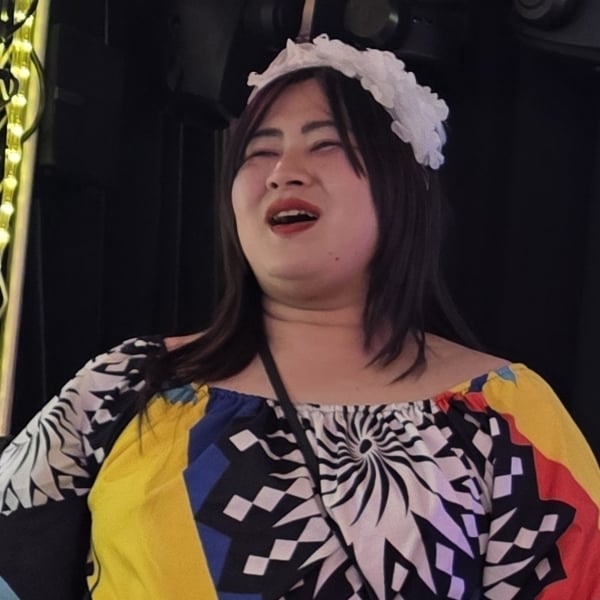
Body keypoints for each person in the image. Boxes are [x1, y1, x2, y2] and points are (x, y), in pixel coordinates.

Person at [1, 34, 599, 600]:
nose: (283, 171)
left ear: (403, 185)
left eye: (325, 144)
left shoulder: (508, 416)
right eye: (259, 152)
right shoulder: (125, 384)